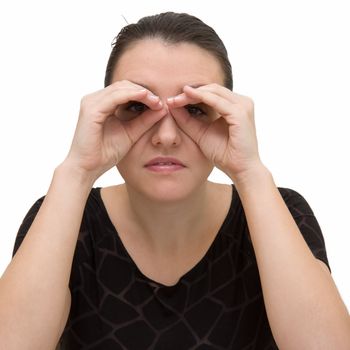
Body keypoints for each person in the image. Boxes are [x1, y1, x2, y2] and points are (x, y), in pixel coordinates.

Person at [0, 11, 349, 350]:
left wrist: (250, 172)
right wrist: (76, 171)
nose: (166, 137)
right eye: (137, 106)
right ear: (106, 113)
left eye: (195, 109)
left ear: (228, 118)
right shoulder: (65, 215)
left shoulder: (279, 210)